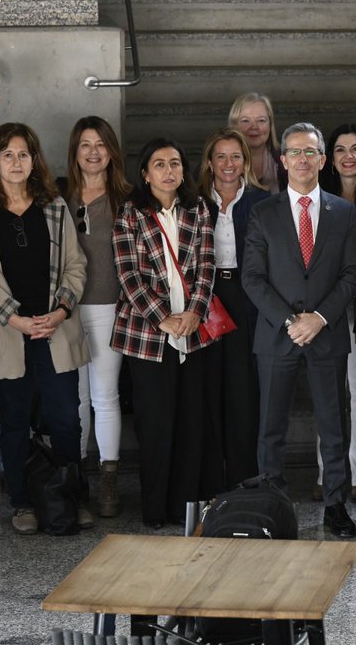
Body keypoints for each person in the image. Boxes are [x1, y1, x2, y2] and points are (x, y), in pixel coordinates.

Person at [0, 123, 91, 535]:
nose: (16, 162)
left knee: (66, 419)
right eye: (8, 155)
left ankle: (73, 497)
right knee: (14, 420)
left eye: (24, 154)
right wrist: (14, 318)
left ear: (35, 160)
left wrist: (61, 310)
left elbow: (75, 264)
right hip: (6, 333)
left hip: (55, 330)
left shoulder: (54, 206)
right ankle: (21, 502)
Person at [242, 122, 356, 539]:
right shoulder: (263, 212)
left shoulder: (343, 212)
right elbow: (253, 278)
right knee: (271, 428)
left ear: (323, 159)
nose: (302, 160)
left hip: (326, 333)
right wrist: (292, 321)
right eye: (294, 152)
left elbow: (351, 275)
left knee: (333, 425)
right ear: (283, 160)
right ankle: (273, 508)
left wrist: (319, 318)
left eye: (311, 152)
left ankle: (336, 505)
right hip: (278, 335)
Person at [113, 138, 223, 528]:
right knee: (156, 424)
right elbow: (128, 275)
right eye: (158, 164)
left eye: (175, 163)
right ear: (145, 173)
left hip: (193, 333)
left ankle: (185, 507)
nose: (168, 170)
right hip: (147, 335)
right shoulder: (130, 213)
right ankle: (155, 509)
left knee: (191, 422)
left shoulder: (198, 210)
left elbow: (207, 265)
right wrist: (163, 318)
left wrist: (194, 312)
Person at [66, 116, 132, 517]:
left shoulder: (125, 197)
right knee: (74, 397)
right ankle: (77, 475)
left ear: (111, 151)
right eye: (85, 144)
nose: (93, 152)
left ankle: (109, 476)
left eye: (101, 144)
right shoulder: (59, 194)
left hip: (111, 307)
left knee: (104, 395)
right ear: (75, 150)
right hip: (67, 310)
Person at [197, 128, 266, 487]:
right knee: (208, 387)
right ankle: (210, 480)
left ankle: (244, 478)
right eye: (220, 156)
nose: (228, 164)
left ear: (245, 161)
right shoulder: (194, 202)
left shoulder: (262, 202)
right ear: (209, 162)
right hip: (205, 297)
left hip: (246, 297)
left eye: (235, 156)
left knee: (243, 390)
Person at [311, 123, 356, 502]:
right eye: (340, 150)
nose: (348, 156)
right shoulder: (317, 197)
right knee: (329, 392)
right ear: (329, 159)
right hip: (326, 308)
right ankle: (326, 472)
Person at [228, 92, 285, 193]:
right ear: (234, 125)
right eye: (245, 121)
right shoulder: (217, 163)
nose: (254, 127)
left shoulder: (286, 161)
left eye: (261, 121)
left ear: (270, 125)